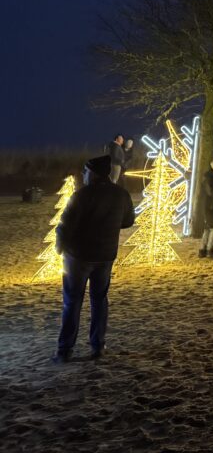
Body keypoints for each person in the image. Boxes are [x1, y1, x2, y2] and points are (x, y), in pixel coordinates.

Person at [53, 154, 135, 363]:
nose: (83, 175)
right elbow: (128, 221)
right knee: (99, 300)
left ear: (94, 173)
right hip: (106, 256)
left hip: (79, 256)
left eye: (86, 171)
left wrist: (59, 248)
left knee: (72, 301)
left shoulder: (82, 195)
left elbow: (65, 224)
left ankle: (65, 350)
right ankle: (97, 345)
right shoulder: (121, 194)